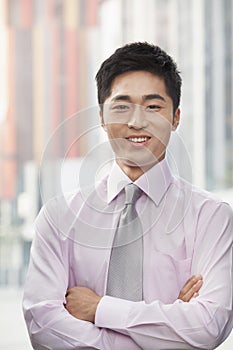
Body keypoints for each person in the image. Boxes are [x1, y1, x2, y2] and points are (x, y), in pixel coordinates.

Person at [23, 42, 233, 350]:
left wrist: (99, 309)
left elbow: (208, 325)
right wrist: (166, 329)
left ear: (175, 118)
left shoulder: (212, 217)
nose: (137, 121)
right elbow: (43, 326)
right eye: (122, 106)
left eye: (153, 106)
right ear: (102, 117)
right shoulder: (59, 218)